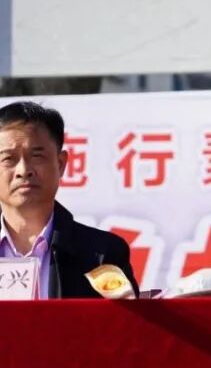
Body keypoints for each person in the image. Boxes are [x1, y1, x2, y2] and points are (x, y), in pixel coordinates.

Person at [0, 100, 139, 298]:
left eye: (36, 156)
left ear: (60, 164)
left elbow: (123, 318)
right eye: (8, 159)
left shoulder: (103, 254)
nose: (24, 170)